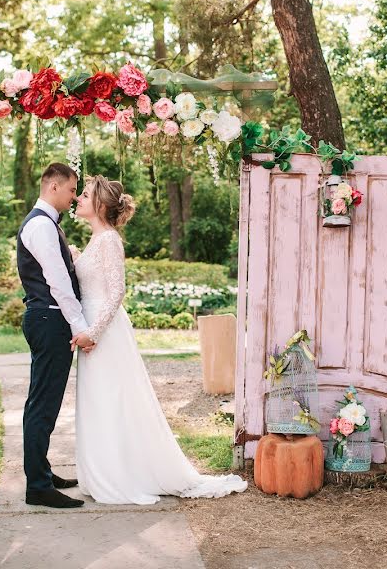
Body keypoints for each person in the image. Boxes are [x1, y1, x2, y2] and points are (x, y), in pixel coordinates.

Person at [71, 174, 248, 504]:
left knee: (113, 400)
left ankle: (122, 474)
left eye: (84, 194)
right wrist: (75, 257)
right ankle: (105, 470)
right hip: (91, 330)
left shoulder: (110, 240)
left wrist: (92, 333)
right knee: (100, 402)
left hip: (104, 333)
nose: (78, 198)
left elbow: (116, 292)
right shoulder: (96, 240)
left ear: (99, 205)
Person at [16, 162, 92, 508]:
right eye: (73, 190)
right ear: (55, 187)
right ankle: (38, 487)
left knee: (43, 402)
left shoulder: (45, 224)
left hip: (47, 318)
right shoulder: (42, 226)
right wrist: (79, 326)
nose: (75, 197)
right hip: (50, 319)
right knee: (42, 405)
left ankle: (42, 472)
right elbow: (58, 283)